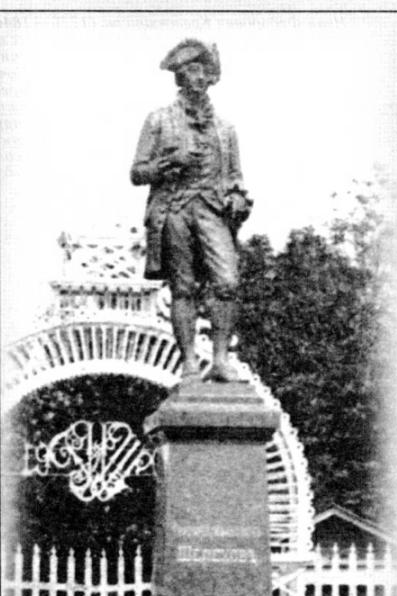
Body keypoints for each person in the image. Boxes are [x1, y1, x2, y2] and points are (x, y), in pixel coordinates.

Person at [130, 39, 252, 382]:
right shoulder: (159, 120)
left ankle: (221, 360)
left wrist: (238, 197)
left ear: (211, 78)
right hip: (174, 209)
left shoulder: (225, 129)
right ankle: (188, 363)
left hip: (212, 210)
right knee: (183, 287)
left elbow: (236, 178)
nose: (198, 77)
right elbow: (137, 172)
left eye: (203, 71)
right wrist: (168, 163)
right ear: (179, 78)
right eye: (191, 71)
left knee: (227, 282)